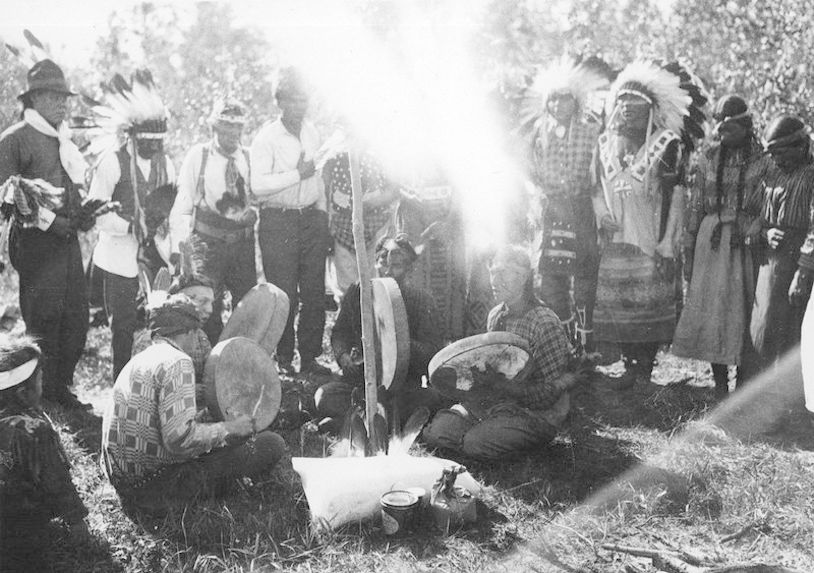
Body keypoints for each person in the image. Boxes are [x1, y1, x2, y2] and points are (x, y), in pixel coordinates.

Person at [101, 294, 287, 516]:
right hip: (156, 488)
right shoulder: (178, 362)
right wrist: (231, 428)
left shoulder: (141, 359)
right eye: (196, 332)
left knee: (226, 442)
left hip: (123, 481)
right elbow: (179, 439)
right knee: (270, 443)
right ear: (189, 331)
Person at [593, 60, 706, 385]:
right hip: (616, 239)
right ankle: (629, 364)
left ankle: (644, 365)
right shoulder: (604, 144)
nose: (628, 110)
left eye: (636, 105)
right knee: (620, 302)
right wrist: (602, 215)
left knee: (648, 303)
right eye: (623, 103)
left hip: (650, 237)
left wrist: (667, 241)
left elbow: (677, 196)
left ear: (651, 109)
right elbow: (595, 189)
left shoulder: (667, 143)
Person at [423, 245, 574, 460]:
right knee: (437, 433)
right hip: (497, 403)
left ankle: (506, 439)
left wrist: (505, 387)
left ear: (523, 278)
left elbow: (551, 394)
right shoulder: (495, 315)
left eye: (503, 272)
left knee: (474, 443)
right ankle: (488, 432)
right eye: (493, 272)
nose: (494, 280)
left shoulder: (544, 322)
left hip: (536, 414)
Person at [0, 59, 91, 409]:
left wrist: (81, 214)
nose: (62, 104)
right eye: (54, 97)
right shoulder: (15, 140)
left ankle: (60, 388)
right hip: (36, 244)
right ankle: (38, 393)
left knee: (76, 318)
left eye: (64, 98)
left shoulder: (62, 139)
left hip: (67, 241)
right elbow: (7, 196)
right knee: (44, 317)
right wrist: (50, 222)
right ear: (34, 98)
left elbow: (72, 185)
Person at [672, 95, 767, 397]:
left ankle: (744, 385)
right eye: (721, 128)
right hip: (711, 244)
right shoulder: (709, 158)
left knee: (743, 309)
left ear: (747, 127)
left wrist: (751, 230)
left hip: (746, 244)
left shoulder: (763, 161)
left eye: (731, 128)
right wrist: (688, 251)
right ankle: (720, 385)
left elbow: (766, 207)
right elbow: (696, 206)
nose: (724, 134)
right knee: (715, 311)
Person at [87, 71, 175, 381]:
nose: (154, 145)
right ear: (132, 135)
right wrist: (129, 226)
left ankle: (157, 380)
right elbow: (94, 213)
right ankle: (121, 385)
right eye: (148, 140)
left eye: (158, 140)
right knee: (122, 324)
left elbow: (171, 214)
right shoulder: (112, 162)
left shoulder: (167, 165)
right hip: (118, 255)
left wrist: (173, 249)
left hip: (155, 255)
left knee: (162, 317)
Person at [315, 234, 444, 429]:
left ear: (409, 269)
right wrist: (343, 356)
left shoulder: (421, 300)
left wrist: (399, 344)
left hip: (403, 387)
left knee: (429, 399)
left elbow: (432, 351)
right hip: (361, 384)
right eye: (383, 263)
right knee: (324, 396)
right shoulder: (359, 291)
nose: (388, 271)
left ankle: (356, 420)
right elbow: (340, 332)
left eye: (397, 266)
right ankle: (378, 420)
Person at [250, 67, 330, 376]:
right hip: (277, 221)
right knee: (284, 294)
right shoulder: (266, 138)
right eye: (294, 100)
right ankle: (284, 361)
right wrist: (297, 174)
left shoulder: (312, 131)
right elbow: (258, 187)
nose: (301, 106)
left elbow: (319, 176)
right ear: (281, 101)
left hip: (311, 219)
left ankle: (309, 358)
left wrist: (322, 214)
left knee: (313, 292)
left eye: (304, 100)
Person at [524, 56, 608, 351]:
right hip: (551, 211)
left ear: (577, 102)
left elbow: (599, 174)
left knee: (585, 275)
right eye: (554, 100)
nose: (559, 105)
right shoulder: (538, 133)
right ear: (547, 104)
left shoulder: (591, 131)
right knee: (552, 278)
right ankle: (561, 344)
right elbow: (528, 170)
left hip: (581, 208)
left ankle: (586, 344)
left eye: (565, 99)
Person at [170, 98, 257, 343]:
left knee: (246, 306)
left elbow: (260, 196)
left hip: (242, 245)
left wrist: (254, 213)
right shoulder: (199, 156)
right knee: (207, 308)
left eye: (238, 127)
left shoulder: (249, 158)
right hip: (208, 243)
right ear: (214, 128)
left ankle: (239, 360)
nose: (233, 134)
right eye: (226, 127)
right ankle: (205, 362)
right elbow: (183, 202)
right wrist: (180, 247)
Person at [0, 335, 89, 570]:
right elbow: (56, 479)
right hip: (18, 526)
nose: (43, 385)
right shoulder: (33, 429)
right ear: (23, 394)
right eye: (40, 380)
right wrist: (76, 519)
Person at [745, 116, 814, 370]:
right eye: (772, 154)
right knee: (763, 327)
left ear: (801, 146)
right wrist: (763, 234)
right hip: (770, 263)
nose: (776, 160)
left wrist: (804, 272)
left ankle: (791, 404)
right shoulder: (771, 175)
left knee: (794, 331)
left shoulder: (810, 176)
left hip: (800, 262)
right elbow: (751, 215)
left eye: (781, 153)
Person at [324, 140, 398, 299]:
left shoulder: (380, 154)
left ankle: (376, 320)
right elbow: (325, 193)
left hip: (377, 224)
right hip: (343, 227)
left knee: (378, 278)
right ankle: (352, 318)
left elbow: (393, 190)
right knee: (347, 284)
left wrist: (369, 203)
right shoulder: (333, 157)